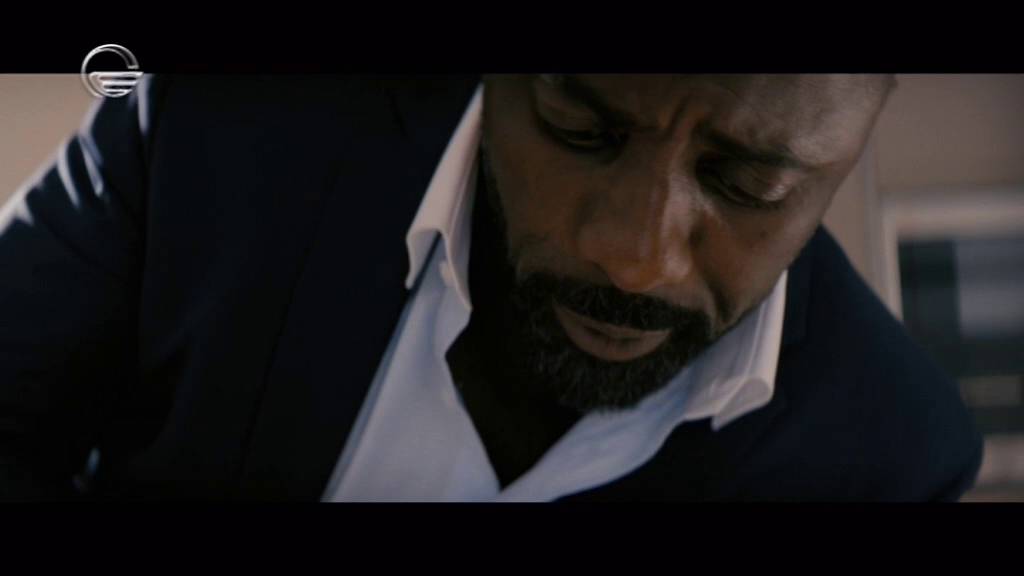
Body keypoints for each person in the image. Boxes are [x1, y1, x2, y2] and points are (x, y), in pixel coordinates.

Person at [0, 74, 983, 501]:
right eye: (579, 127)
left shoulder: (891, 463)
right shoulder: (216, 116)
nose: (634, 259)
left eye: (749, 184)